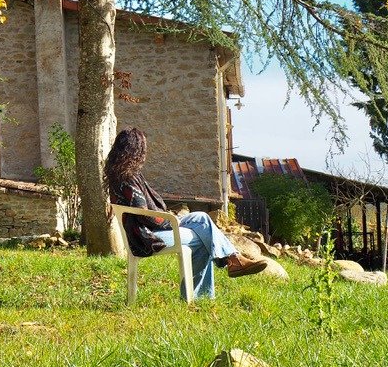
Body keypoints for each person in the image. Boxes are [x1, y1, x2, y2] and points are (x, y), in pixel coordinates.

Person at [105, 127, 267, 299]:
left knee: (202, 218)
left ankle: (232, 261)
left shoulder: (121, 175)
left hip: (151, 230)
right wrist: (170, 220)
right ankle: (220, 274)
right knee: (204, 237)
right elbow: (145, 215)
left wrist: (172, 219)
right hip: (145, 238)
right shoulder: (127, 178)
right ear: (135, 151)